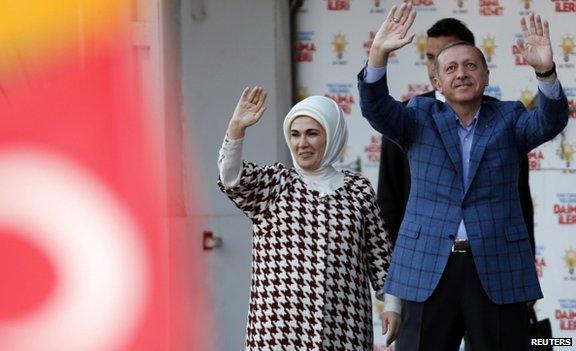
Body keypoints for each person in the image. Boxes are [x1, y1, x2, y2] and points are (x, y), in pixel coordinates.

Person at [358, 3, 568, 350]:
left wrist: (545, 72)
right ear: (436, 80)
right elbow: (376, 107)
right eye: (451, 68)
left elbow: (550, 121)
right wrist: (378, 55)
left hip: (496, 266)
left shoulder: (509, 118)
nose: (461, 73)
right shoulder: (418, 117)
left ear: (486, 76)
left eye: (471, 66)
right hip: (429, 268)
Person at [218, 87, 401, 350]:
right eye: (295, 134)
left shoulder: (358, 190)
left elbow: (381, 260)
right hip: (278, 332)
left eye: (312, 133)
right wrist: (236, 129)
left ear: (333, 135)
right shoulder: (276, 182)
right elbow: (231, 178)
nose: (302, 143)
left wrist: (392, 307)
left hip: (343, 328)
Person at [377, 18, 535, 255]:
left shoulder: (506, 118)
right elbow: (389, 197)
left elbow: (519, 195)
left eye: (445, 54)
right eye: (430, 57)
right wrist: (390, 268)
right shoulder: (405, 116)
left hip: (493, 261)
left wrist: (525, 256)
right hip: (421, 264)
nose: (434, 66)